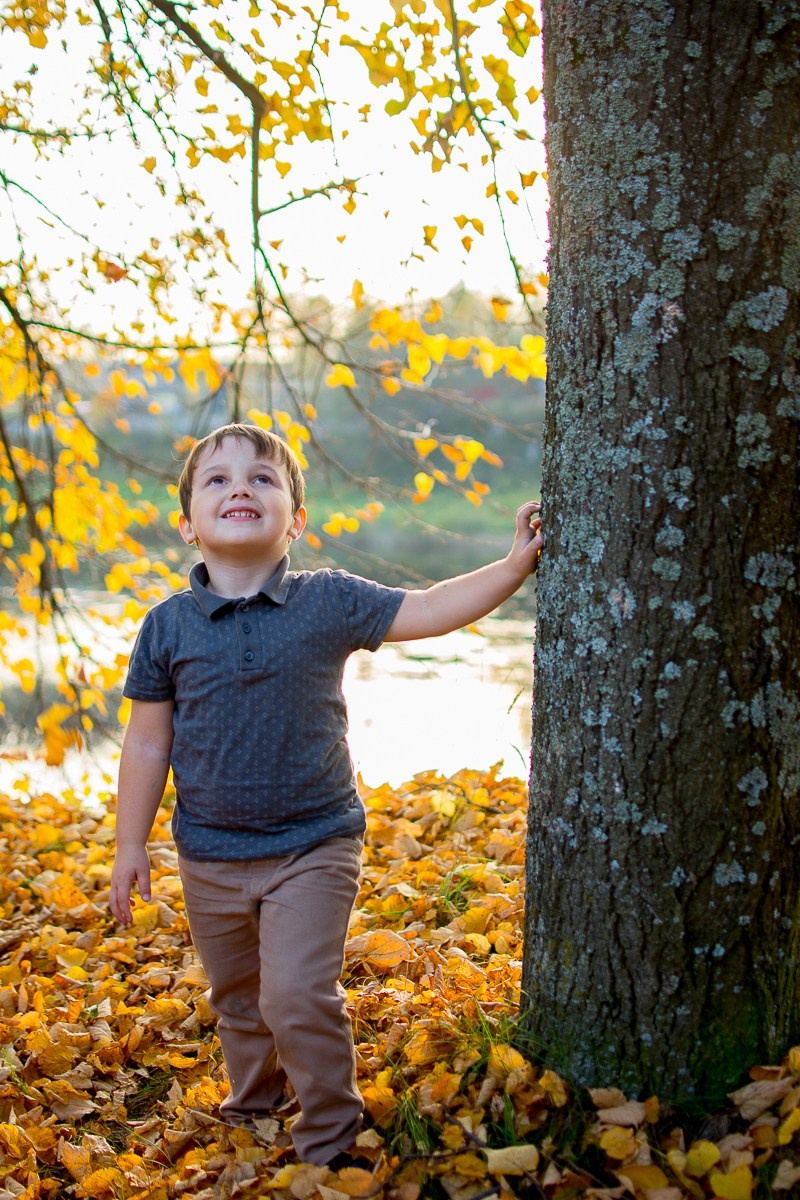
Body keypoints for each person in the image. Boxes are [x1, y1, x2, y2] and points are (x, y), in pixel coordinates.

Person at [109, 422, 542, 1169]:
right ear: (186, 525)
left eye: (262, 478)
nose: (240, 487)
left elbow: (430, 606)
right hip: (207, 853)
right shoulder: (165, 627)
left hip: (313, 844)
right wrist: (127, 843)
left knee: (297, 995)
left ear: (296, 520)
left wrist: (511, 568)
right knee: (239, 998)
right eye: (217, 480)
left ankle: (331, 1134)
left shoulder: (328, 601)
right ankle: (253, 1101)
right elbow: (148, 742)